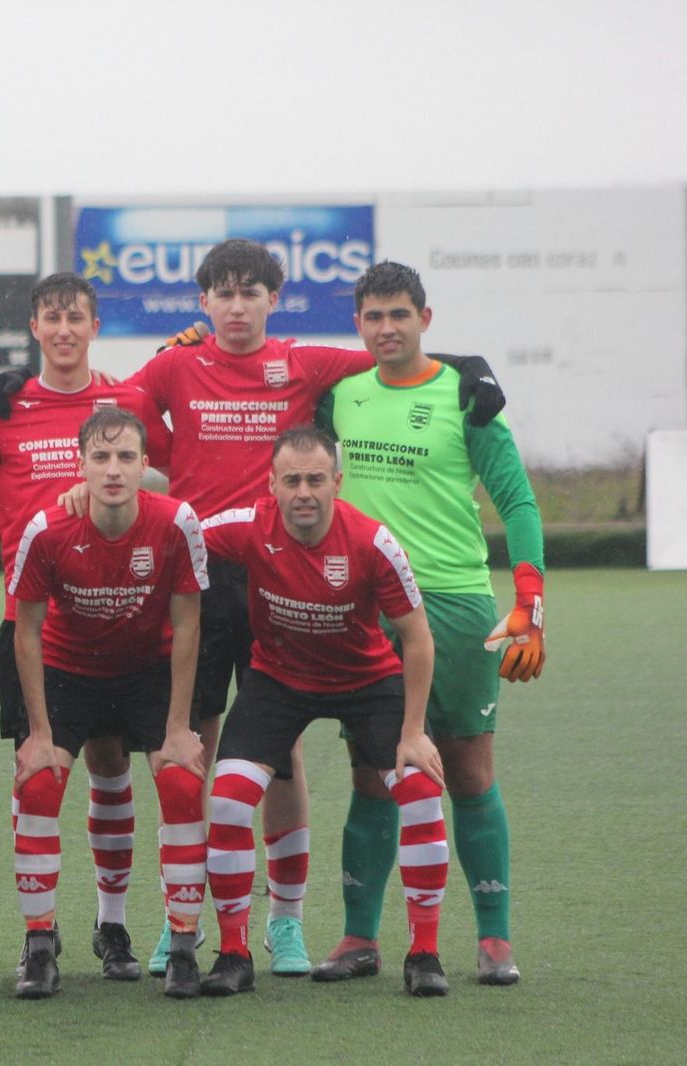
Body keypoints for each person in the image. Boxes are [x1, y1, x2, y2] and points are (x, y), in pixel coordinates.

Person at [28, 239, 501, 977]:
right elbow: (110, 416)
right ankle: (183, 919)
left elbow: (396, 365)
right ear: (204, 304)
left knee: (280, 755)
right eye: (224, 293)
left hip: (288, 578)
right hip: (202, 577)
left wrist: (470, 366)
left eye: (252, 293)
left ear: (273, 301)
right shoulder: (178, 365)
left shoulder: (304, 362)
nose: (238, 306)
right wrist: (61, 452)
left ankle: (283, 922)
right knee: (194, 750)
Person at [313, 261, 545, 986]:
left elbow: (520, 504)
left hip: (456, 607)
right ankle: (359, 938)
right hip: (367, 609)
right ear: (357, 325)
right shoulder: (340, 398)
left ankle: (495, 939)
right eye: (373, 317)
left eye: (399, 315)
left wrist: (530, 606)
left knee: (469, 768)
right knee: (372, 774)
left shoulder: (466, 397)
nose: (386, 328)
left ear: (425, 319)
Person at [0, 272, 182, 978]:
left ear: (94, 325)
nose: (63, 329)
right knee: (38, 774)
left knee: (113, 771)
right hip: (36, 627)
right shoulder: (6, 404)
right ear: (35, 327)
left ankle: (111, 928)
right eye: (51, 318)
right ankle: (38, 937)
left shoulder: (128, 403)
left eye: (75, 317)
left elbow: (175, 478)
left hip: (125, 620)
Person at [194, 425, 452, 999]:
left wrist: (412, 732)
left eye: (316, 479)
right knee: (229, 798)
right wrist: (88, 497)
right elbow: (173, 526)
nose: (303, 492)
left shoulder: (373, 541)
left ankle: (424, 952)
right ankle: (233, 952)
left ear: (337, 482)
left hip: (368, 681)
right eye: (292, 480)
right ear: (272, 485)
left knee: (420, 791)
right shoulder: (246, 526)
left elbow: (417, 637)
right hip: (279, 679)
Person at [5, 406, 208, 998]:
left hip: (147, 671)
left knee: (180, 782)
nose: (114, 469)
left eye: (125, 457)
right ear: (81, 465)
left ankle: (183, 947)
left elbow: (189, 623)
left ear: (146, 464)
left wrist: (176, 726)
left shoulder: (177, 523)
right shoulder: (46, 529)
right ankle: (40, 945)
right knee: (39, 783)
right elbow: (26, 630)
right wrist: (39, 732)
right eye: (100, 457)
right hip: (71, 671)